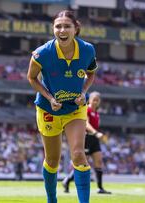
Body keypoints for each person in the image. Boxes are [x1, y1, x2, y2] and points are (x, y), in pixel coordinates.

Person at [27, 10, 98, 203]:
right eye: (58, 26)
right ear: (53, 29)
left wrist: (83, 92)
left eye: (67, 26)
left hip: (75, 109)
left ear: (76, 29)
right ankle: (52, 200)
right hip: (48, 109)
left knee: (78, 154)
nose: (62, 30)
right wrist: (49, 97)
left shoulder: (88, 50)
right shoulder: (42, 53)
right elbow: (31, 78)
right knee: (52, 161)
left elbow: (91, 73)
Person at [62, 91, 111, 194]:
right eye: (94, 100)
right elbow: (86, 124)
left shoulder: (96, 113)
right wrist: (96, 132)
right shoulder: (87, 110)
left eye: (97, 100)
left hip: (94, 140)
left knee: (99, 162)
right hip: (86, 138)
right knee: (83, 164)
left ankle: (100, 188)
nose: (95, 102)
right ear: (90, 100)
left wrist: (98, 135)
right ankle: (67, 180)